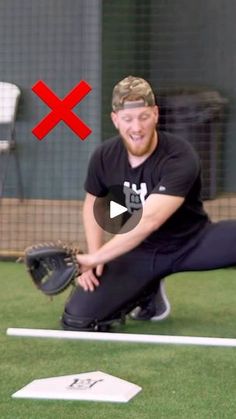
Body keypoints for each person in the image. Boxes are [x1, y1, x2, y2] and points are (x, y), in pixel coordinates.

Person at [61, 75, 236, 331]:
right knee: (78, 319)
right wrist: (95, 259)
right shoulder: (104, 156)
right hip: (140, 251)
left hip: (192, 241)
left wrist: (95, 256)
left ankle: (147, 282)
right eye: (128, 119)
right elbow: (92, 204)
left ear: (155, 114)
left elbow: (149, 220)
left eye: (143, 117)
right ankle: (149, 294)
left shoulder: (180, 155)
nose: (137, 127)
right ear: (116, 119)